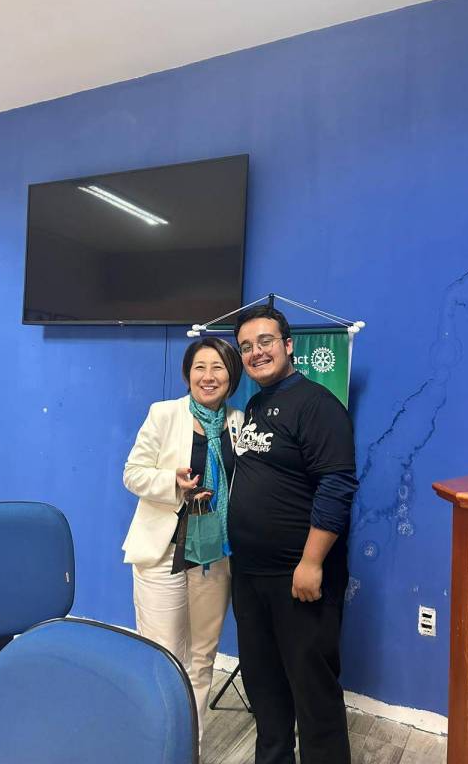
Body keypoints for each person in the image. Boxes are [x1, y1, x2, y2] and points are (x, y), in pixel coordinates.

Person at [228, 306, 358, 764]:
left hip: (297, 577)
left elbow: (336, 486)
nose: (255, 352)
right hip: (250, 577)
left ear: (288, 345)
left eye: (265, 341)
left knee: (313, 694)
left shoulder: (318, 405)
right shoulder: (256, 404)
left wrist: (311, 562)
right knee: (264, 688)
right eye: (246, 347)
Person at [122, 337, 243, 741]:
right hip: (165, 553)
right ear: (187, 374)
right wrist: (172, 482)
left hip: (214, 554)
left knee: (202, 657)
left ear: (232, 375)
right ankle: (156, 743)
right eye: (199, 367)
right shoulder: (164, 414)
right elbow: (132, 474)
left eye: (218, 367)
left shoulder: (239, 422)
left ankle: (189, 746)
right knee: (164, 657)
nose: (208, 376)